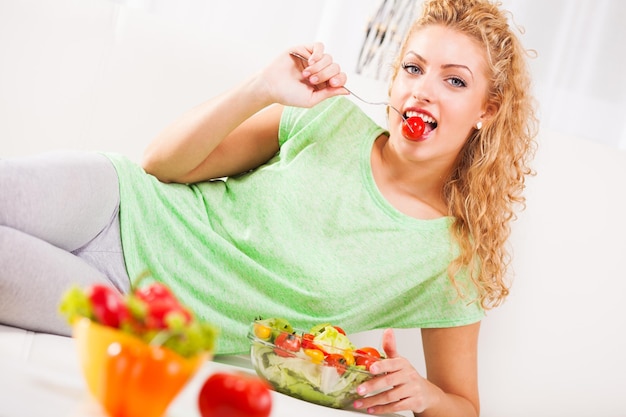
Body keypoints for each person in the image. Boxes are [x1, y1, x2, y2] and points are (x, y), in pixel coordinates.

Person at [0, 0, 537, 415]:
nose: (424, 91)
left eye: (454, 80)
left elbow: (462, 405)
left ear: (487, 111)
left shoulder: (453, 259)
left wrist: (424, 395)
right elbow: (160, 163)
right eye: (413, 69)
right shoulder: (330, 118)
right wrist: (262, 88)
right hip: (116, 201)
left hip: (137, 313)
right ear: (394, 79)